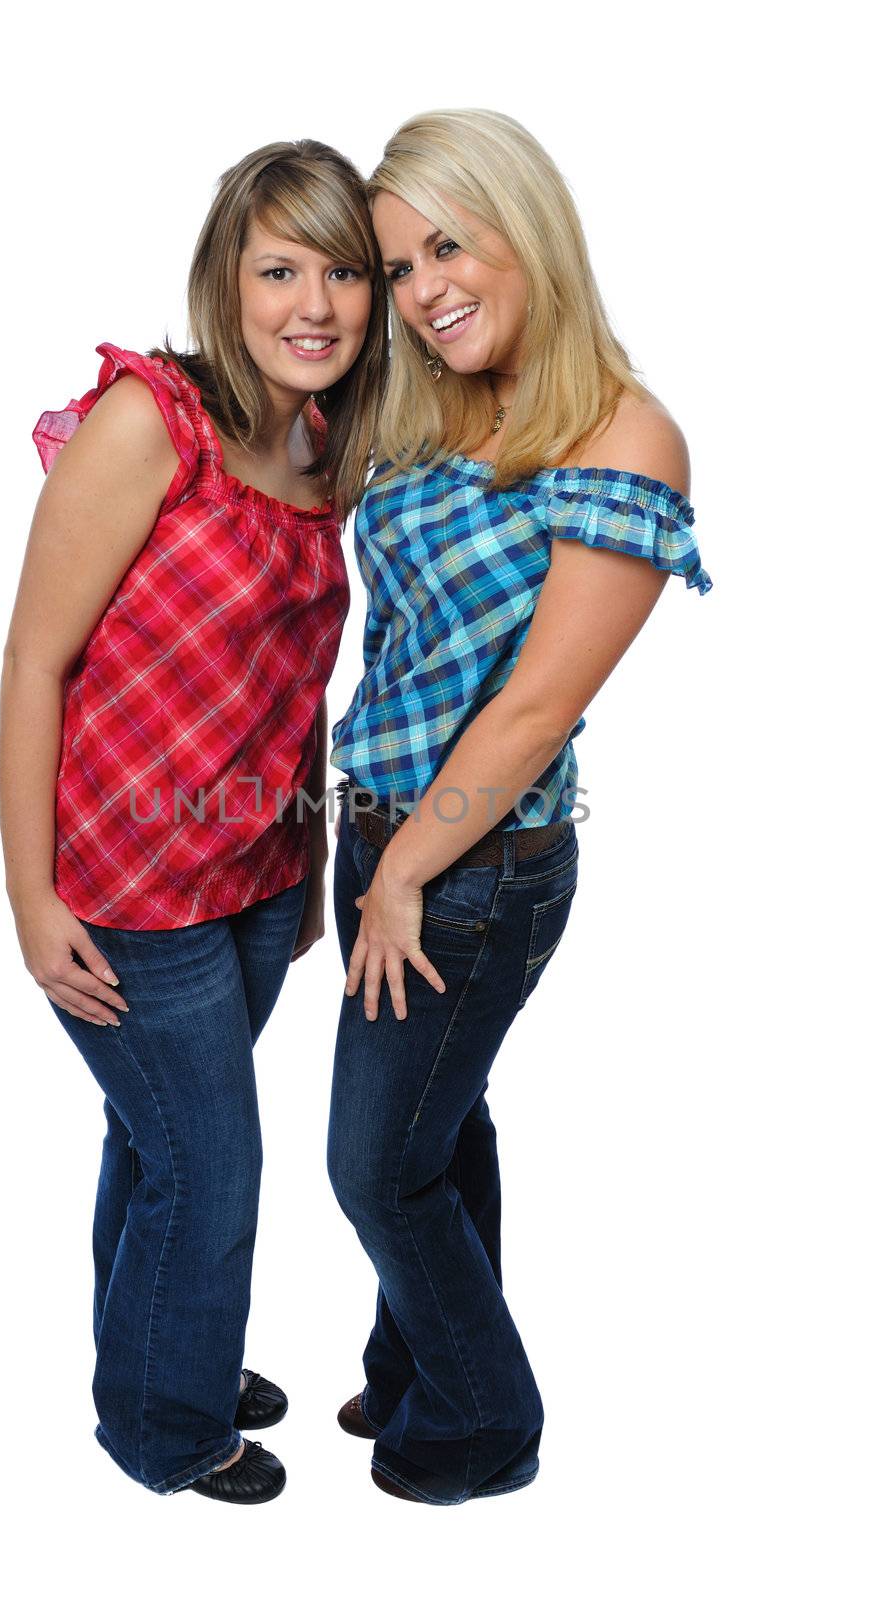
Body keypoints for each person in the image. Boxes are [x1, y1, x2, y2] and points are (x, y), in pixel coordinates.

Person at [326, 108, 713, 1506]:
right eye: (399, 265)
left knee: (373, 1169)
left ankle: (485, 1423)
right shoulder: (441, 407)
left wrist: (403, 874)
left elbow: (537, 706)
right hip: (379, 832)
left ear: (523, 227)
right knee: (443, 1123)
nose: (424, 290)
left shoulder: (625, 436)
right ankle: (420, 1356)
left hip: (469, 867)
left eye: (448, 244)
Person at [0, 139, 386, 1504]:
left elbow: (291, 682)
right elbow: (35, 661)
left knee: (156, 1145)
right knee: (211, 1177)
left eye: (344, 270)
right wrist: (33, 900)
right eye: (280, 268)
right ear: (226, 278)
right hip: (125, 892)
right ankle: (167, 1429)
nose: (315, 304)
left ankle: (165, 1351)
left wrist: (312, 851)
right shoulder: (149, 421)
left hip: (256, 878)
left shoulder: (322, 440)